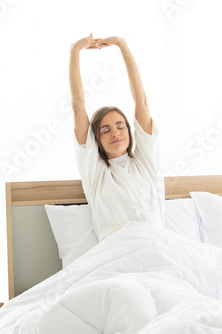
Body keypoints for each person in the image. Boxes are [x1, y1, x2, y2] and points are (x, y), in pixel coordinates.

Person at [69, 33, 165, 242]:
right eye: (105, 130)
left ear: (130, 132)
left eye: (120, 126)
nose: (115, 132)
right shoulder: (96, 174)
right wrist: (75, 51)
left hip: (156, 245)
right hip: (117, 252)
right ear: (97, 140)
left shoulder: (146, 164)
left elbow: (141, 100)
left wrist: (122, 45)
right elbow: (78, 107)